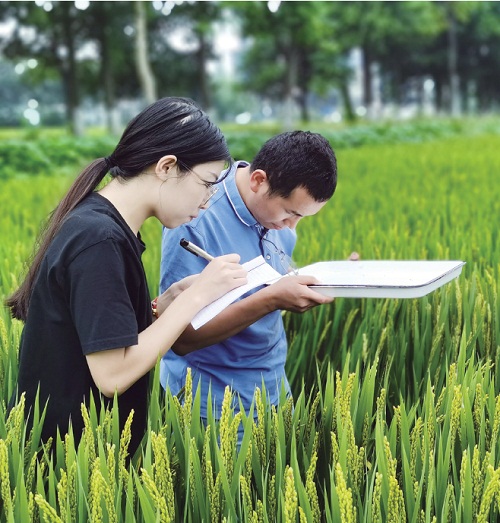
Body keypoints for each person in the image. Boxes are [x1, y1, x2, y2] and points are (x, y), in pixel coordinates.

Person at [5, 97, 247, 454]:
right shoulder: (99, 239)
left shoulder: (106, 226)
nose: (208, 200)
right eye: (208, 183)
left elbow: (96, 331)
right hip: (67, 465)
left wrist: (164, 304)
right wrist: (198, 296)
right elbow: (112, 376)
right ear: (167, 166)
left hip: (83, 455)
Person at [158, 130, 340, 423]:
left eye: (301, 218)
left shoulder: (275, 216)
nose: (290, 226)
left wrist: (336, 275)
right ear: (258, 181)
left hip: (274, 388)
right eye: (289, 213)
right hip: (213, 402)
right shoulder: (195, 218)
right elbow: (179, 336)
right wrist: (271, 300)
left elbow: (274, 270)